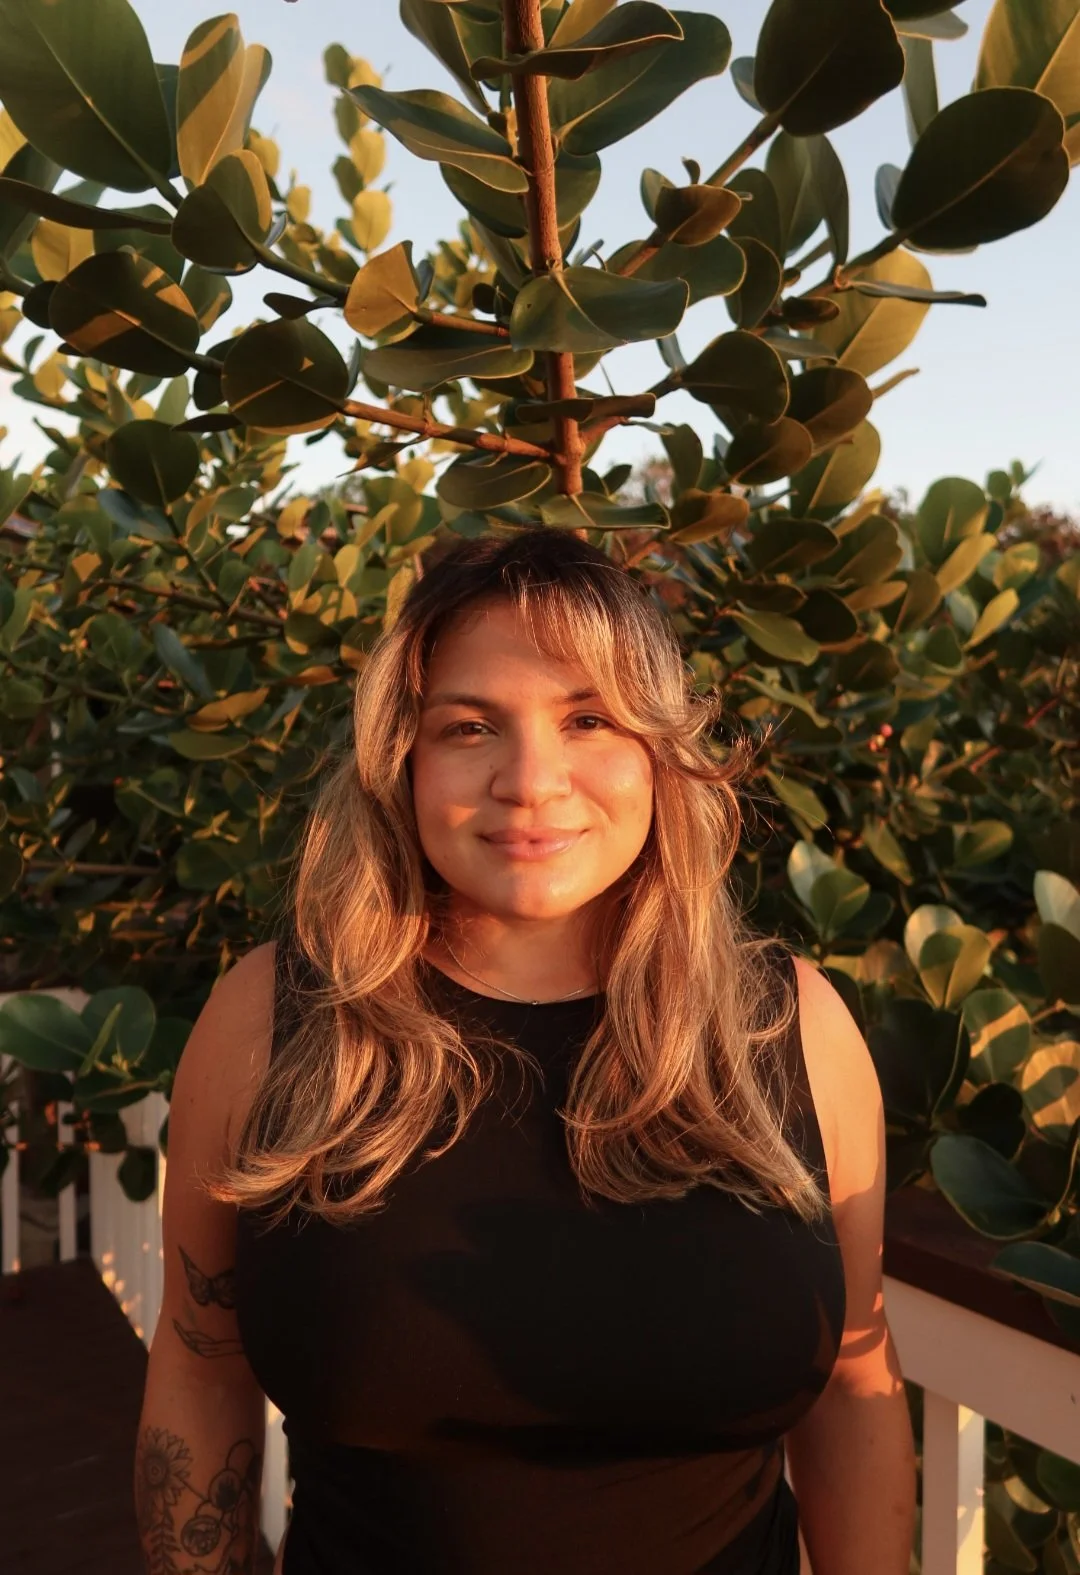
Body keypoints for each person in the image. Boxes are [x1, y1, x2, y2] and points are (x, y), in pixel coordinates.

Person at [135, 525, 915, 1575]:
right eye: (469, 727)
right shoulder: (277, 1016)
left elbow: (856, 1383)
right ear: (401, 759)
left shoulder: (790, 1026)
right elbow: (201, 1366)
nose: (529, 780)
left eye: (587, 718)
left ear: (659, 751)